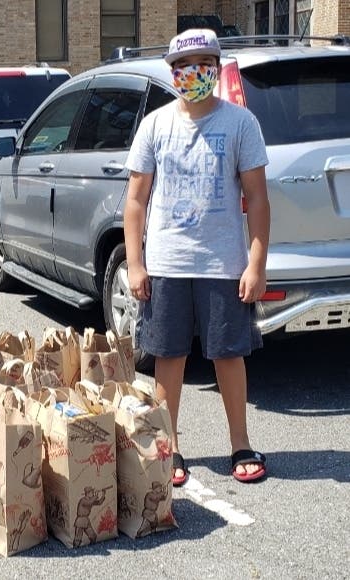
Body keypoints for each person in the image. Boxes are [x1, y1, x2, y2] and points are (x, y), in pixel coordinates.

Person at [123, 28, 270, 485]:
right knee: (169, 357)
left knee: (229, 355)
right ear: (172, 72)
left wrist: (256, 262)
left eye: (205, 64)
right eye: (186, 66)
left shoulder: (240, 123)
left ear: (217, 67)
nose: (195, 74)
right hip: (167, 262)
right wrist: (136, 262)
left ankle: (240, 443)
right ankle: (171, 448)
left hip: (223, 263)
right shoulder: (156, 125)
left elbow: (258, 199)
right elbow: (135, 200)